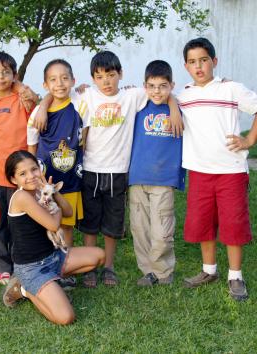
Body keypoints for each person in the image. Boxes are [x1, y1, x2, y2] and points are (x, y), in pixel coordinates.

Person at [74, 51, 182, 288]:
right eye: (100, 76)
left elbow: (161, 90)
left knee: (113, 224)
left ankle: (109, 267)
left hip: (119, 170)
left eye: (111, 75)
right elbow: (58, 98)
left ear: (120, 74)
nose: (106, 81)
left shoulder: (132, 96)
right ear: (92, 78)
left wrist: (173, 105)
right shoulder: (87, 96)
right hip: (91, 170)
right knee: (90, 223)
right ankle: (90, 267)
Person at [178, 37, 257, 301]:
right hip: (199, 171)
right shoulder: (185, 96)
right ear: (186, 66)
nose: (198, 66)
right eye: (192, 62)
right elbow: (160, 97)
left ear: (214, 61)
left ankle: (235, 276)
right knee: (203, 223)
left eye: (203, 60)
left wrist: (249, 140)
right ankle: (208, 270)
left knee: (233, 224)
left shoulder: (230, 89)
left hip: (230, 171)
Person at [2, 150, 104, 325]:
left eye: (34, 169)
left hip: (53, 257)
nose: (31, 176)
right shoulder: (21, 197)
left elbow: (69, 212)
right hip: (32, 267)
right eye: (22, 173)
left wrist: (53, 192)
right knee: (66, 317)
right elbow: (53, 225)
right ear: (13, 179)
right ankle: (25, 289)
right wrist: (53, 206)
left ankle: (52, 281)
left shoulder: (41, 191)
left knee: (99, 256)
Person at [27, 59, 86, 289]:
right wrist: (42, 105)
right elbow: (31, 147)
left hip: (70, 179)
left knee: (67, 225)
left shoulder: (81, 103)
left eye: (64, 78)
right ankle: (45, 267)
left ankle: (65, 268)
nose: (59, 83)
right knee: (46, 224)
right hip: (45, 182)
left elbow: (86, 139)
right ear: (45, 84)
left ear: (73, 81)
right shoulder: (38, 114)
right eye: (53, 79)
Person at [128, 60, 186, 286]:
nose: (157, 91)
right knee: (139, 227)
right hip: (137, 177)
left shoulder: (180, 107)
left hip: (163, 178)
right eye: (151, 85)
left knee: (162, 230)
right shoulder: (139, 105)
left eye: (163, 86)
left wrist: (173, 106)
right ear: (144, 85)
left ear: (172, 85)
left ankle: (163, 271)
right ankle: (148, 271)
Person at [0, 52, 35, 285]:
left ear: (14, 75)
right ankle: (2, 267)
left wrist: (22, 88)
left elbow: (41, 106)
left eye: (6, 72)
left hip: (21, 177)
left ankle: (21, 263)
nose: (1, 76)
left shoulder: (21, 98)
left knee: (21, 223)